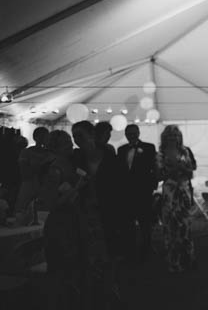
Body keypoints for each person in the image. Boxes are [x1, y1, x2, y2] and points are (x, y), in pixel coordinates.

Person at [72, 120, 127, 308]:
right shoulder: (76, 158)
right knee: (90, 252)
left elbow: (121, 186)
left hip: (109, 210)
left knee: (111, 251)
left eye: (79, 135)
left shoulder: (110, 156)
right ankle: (95, 292)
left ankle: (111, 289)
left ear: (91, 135)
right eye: (74, 136)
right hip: (85, 211)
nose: (76, 140)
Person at [42, 130, 82, 310]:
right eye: (66, 143)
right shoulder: (55, 169)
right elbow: (52, 203)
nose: (71, 145)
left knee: (72, 266)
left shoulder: (70, 163)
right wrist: (78, 188)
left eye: (70, 141)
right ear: (56, 147)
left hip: (72, 220)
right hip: (60, 224)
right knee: (59, 267)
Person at [156, 125, 196, 273]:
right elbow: (159, 175)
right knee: (170, 227)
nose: (173, 138)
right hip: (170, 193)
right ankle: (174, 261)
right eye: (170, 136)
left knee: (185, 226)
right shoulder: (160, 154)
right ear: (165, 138)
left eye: (176, 135)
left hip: (184, 191)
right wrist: (176, 170)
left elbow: (191, 172)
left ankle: (189, 259)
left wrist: (177, 168)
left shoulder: (185, 151)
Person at [117, 124, 157, 263]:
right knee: (128, 223)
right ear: (126, 134)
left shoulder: (149, 147)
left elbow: (154, 168)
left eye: (134, 133)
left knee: (145, 222)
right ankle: (131, 249)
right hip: (126, 193)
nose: (131, 135)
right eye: (129, 133)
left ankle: (147, 247)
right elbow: (120, 171)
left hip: (143, 192)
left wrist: (152, 186)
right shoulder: (121, 150)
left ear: (138, 133)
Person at [15, 126, 54, 225]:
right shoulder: (26, 152)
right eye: (41, 136)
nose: (44, 139)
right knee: (23, 211)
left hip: (43, 186)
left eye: (45, 137)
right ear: (35, 137)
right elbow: (24, 172)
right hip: (29, 185)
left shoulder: (50, 153)